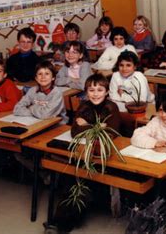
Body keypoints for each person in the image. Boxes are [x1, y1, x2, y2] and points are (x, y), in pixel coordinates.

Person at [51, 74, 121, 233]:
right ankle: (58, 221)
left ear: (107, 92)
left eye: (100, 90)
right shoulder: (83, 106)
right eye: (91, 90)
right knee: (70, 179)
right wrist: (97, 126)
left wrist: (87, 124)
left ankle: (64, 224)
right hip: (84, 151)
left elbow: (111, 132)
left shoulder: (112, 107)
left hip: (103, 155)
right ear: (86, 92)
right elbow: (75, 131)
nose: (95, 94)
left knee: (84, 182)